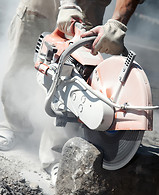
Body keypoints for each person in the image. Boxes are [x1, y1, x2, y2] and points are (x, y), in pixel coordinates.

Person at [0, 0, 144, 185]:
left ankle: (56, 154)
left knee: (74, 76)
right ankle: (13, 126)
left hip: (89, 5)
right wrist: (67, 4)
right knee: (24, 53)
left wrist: (117, 23)